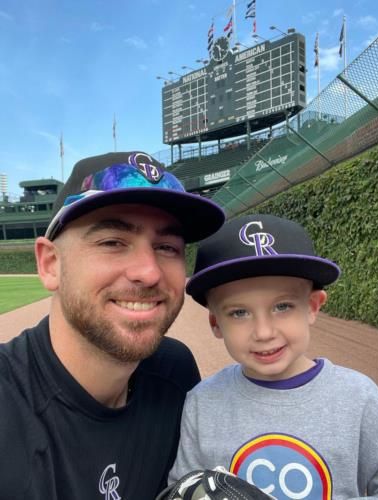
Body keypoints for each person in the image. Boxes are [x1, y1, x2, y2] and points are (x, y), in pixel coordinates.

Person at [0, 151, 225, 500]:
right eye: (112, 242)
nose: (149, 272)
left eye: (167, 247)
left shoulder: (174, 370)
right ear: (50, 264)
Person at [169, 213, 378, 499]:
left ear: (313, 307)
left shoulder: (359, 397)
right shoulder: (202, 402)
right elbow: (185, 488)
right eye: (239, 313)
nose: (264, 332)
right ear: (216, 324)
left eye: (283, 307)